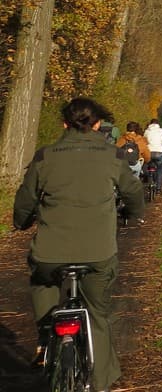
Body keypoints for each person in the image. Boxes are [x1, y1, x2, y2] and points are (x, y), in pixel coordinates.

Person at [13, 97, 145, 392]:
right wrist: (134, 214)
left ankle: (46, 337)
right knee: (97, 313)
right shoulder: (113, 155)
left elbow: (25, 200)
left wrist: (20, 222)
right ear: (98, 124)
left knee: (41, 279)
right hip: (98, 254)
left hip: (50, 253)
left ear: (64, 124)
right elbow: (134, 191)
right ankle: (100, 382)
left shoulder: (44, 157)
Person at [143, 118, 162, 194]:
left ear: (150, 124)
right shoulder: (161, 131)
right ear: (158, 124)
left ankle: (148, 182)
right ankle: (158, 188)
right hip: (159, 152)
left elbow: (143, 141)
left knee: (147, 166)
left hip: (149, 152)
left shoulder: (147, 131)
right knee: (160, 169)